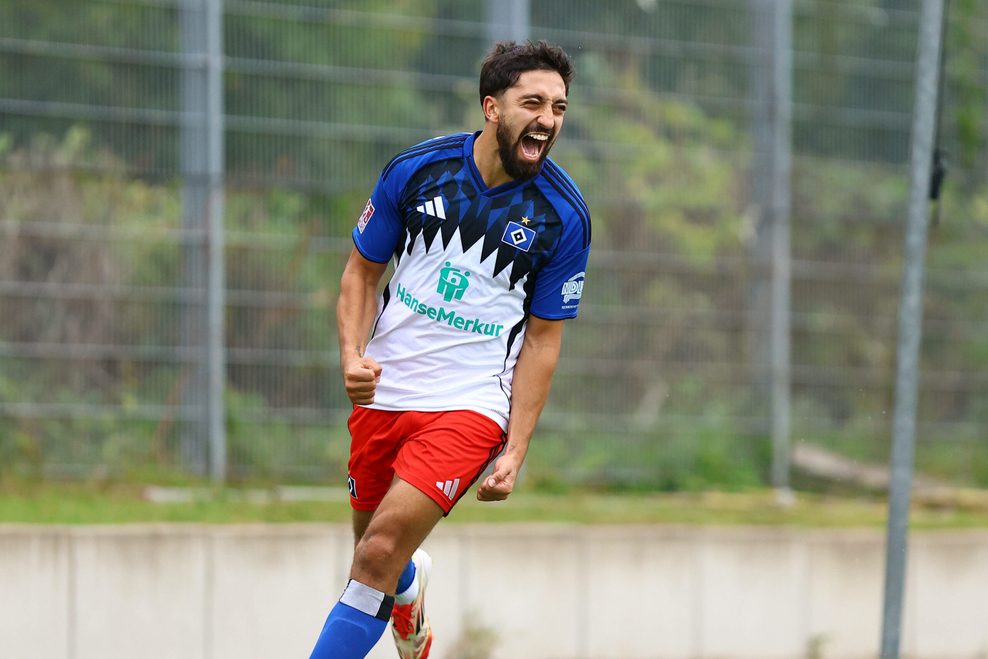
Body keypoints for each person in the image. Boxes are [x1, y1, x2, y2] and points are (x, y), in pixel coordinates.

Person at [309, 40, 591, 659]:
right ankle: (408, 591)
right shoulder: (417, 171)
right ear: (492, 107)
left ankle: (394, 585)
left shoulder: (563, 216)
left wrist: (516, 447)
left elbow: (544, 338)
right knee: (374, 554)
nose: (548, 119)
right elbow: (360, 273)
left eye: (559, 107)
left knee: (377, 554)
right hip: (386, 392)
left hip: (471, 404)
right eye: (533, 103)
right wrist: (352, 356)